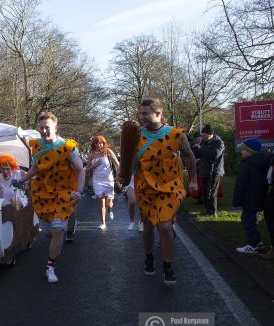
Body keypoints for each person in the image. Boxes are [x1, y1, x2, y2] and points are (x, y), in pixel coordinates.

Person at [132, 98, 197, 285]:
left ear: (158, 114)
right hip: (145, 187)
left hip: (170, 186)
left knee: (165, 226)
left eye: (145, 113)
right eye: (140, 113)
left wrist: (192, 180)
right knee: (148, 226)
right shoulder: (135, 135)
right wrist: (122, 178)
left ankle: (167, 265)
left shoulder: (176, 134)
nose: (141, 117)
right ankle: (149, 256)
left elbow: (189, 157)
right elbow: (130, 161)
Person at [18, 112, 85, 283]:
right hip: (42, 194)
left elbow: (80, 170)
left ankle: (50, 266)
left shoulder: (69, 147)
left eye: (46, 127)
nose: (43, 131)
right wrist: (22, 180)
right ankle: (61, 236)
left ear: (55, 126)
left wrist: (79, 190)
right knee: (48, 232)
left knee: (57, 229)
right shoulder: (36, 146)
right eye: (41, 127)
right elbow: (35, 168)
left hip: (63, 193)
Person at [233, 138, 270, 254]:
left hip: (248, 198)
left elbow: (240, 185)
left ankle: (254, 244)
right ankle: (257, 242)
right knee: (252, 219)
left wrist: (236, 200)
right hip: (258, 197)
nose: (241, 152)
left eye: (243, 150)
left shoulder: (246, 165)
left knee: (247, 220)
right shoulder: (264, 162)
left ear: (250, 151)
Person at [86, 135, 119, 230]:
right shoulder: (92, 155)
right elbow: (86, 170)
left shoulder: (108, 152)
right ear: (94, 144)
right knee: (101, 202)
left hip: (109, 180)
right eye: (96, 143)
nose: (98, 145)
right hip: (97, 181)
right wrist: (93, 166)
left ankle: (110, 209)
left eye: (100, 143)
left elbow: (117, 164)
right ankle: (103, 223)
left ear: (103, 143)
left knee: (109, 203)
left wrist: (118, 177)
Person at [195, 124, 225, 215]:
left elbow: (214, 155)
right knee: (205, 191)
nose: (202, 137)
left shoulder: (219, 142)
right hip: (204, 169)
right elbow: (200, 154)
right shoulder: (204, 141)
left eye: (204, 135)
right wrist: (196, 149)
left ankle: (212, 212)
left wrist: (201, 148)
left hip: (214, 171)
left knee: (212, 191)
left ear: (209, 134)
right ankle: (207, 210)